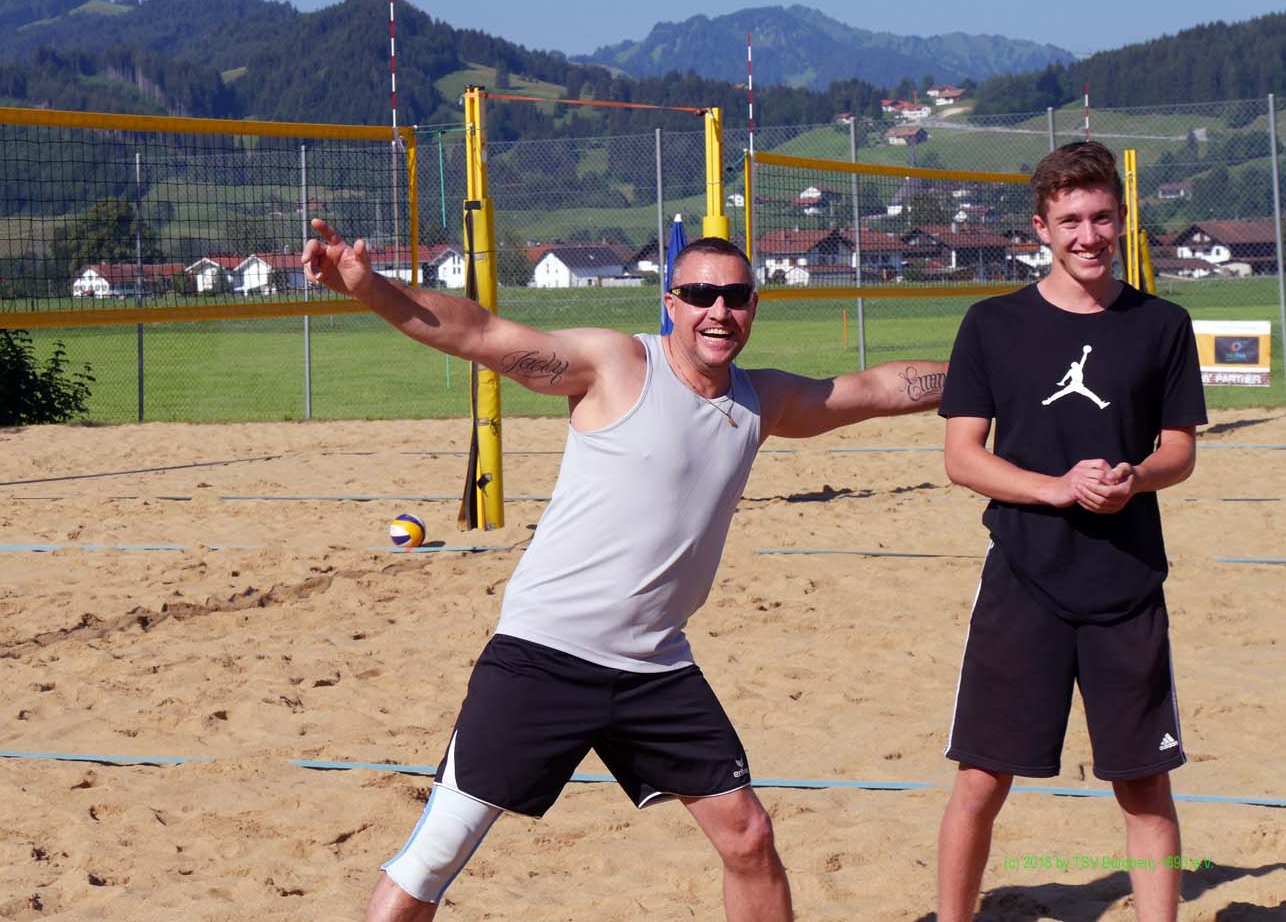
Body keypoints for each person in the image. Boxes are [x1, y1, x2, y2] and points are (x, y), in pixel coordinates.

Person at [302, 219, 947, 922]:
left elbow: (878, 388)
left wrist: (993, 370)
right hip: (545, 655)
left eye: (736, 297)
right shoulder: (616, 365)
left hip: (654, 666)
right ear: (671, 303)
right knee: (433, 858)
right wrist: (370, 288)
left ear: (754, 307)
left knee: (748, 836)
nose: (719, 311)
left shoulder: (759, 401)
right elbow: (479, 332)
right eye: (700, 295)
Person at [934, 141, 1207, 922]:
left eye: (1101, 218)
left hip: (1127, 582)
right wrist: (1055, 489)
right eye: (1071, 221)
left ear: (1121, 220)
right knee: (981, 778)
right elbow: (962, 457)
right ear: (1041, 228)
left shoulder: (1162, 324)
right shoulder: (992, 324)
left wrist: (1134, 479)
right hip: (1024, 580)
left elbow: (1179, 452)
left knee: (1144, 783)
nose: (1089, 236)